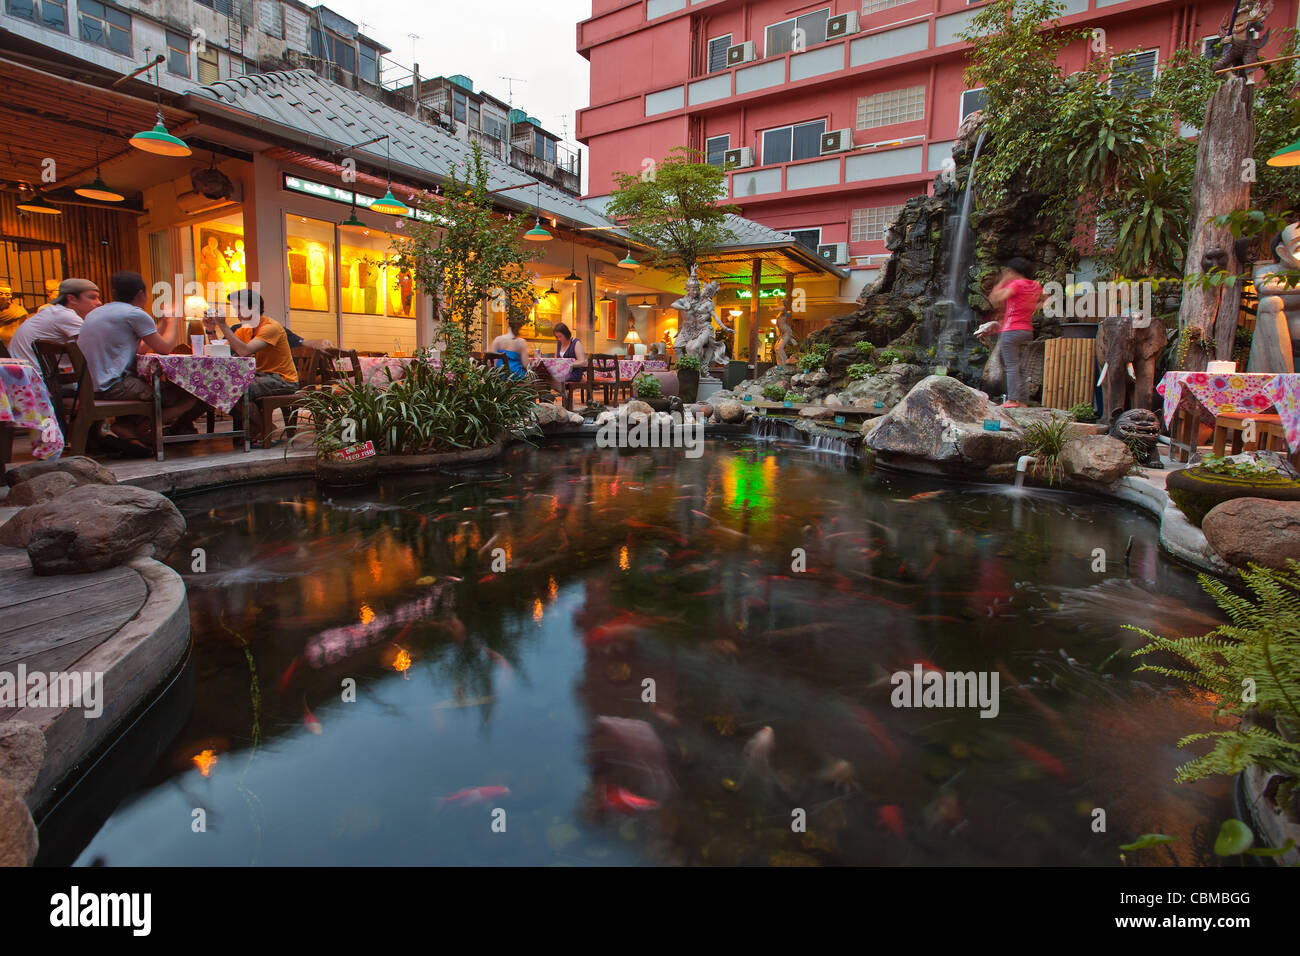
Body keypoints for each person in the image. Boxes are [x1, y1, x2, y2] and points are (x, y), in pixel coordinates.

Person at [77, 270, 202, 449]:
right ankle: (135, 429)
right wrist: (173, 321)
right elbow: (165, 348)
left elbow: (142, 347)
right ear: (141, 293)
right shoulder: (134, 314)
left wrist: (162, 324)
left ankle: (129, 429)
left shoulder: (98, 313)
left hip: (90, 385)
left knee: (147, 384)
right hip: (113, 386)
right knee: (188, 396)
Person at [203, 289, 299, 444]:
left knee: (238, 389)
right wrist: (211, 329)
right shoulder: (245, 329)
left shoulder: (270, 327)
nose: (236, 311)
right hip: (259, 377)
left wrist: (224, 325)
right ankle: (262, 427)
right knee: (220, 388)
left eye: (239, 307)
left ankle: (263, 429)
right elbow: (223, 351)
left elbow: (244, 350)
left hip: (282, 379)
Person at [987, 257, 1044, 408]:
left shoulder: (1017, 284)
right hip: (1027, 331)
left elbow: (995, 297)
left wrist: (1003, 281)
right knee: (1022, 368)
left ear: (1014, 271)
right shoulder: (1035, 286)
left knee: (1011, 366)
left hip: (1011, 330)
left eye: (1009, 271)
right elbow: (1042, 302)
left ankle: (1012, 400)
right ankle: (1023, 401)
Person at [7, 278, 100, 367]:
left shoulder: (54, 312)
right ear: (72, 299)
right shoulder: (65, 315)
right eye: (92, 297)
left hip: (23, 374)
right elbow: (96, 347)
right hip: (36, 377)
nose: (99, 303)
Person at [0, 283, 29, 348]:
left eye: (7, 294)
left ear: (10, 296)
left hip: (13, 344)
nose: (3, 297)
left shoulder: (18, 311)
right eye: (0, 294)